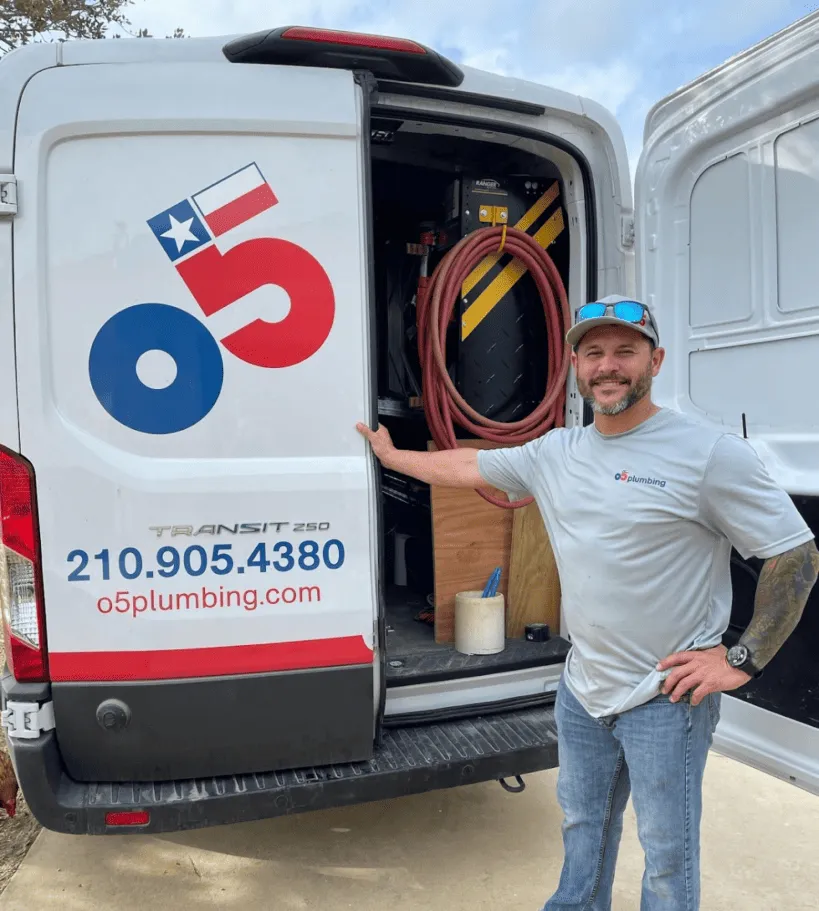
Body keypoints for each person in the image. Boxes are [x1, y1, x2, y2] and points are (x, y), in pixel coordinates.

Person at [356, 294, 819, 911]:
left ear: (655, 361)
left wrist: (741, 659)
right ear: (575, 365)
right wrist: (393, 457)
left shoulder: (707, 454)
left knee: (667, 855)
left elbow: (795, 555)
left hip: (664, 697)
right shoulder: (556, 453)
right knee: (582, 829)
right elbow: (469, 464)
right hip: (583, 686)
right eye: (593, 352)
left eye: (625, 352)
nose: (608, 366)